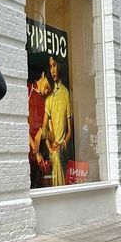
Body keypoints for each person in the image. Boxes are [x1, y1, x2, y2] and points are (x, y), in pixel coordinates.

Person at [42, 55, 72, 186]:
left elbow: (70, 130)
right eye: (50, 66)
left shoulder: (66, 93)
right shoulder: (48, 98)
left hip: (63, 152)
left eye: (54, 65)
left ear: (59, 66)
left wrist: (62, 145)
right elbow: (44, 130)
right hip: (52, 153)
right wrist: (50, 148)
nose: (52, 70)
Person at [28, 68, 53, 188]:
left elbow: (45, 128)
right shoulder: (28, 90)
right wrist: (36, 151)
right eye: (47, 86)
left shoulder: (46, 100)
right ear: (43, 76)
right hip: (27, 148)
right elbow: (21, 123)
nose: (47, 91)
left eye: (49, 90)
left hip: (39, 150)